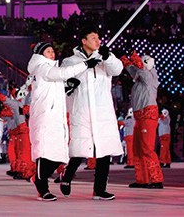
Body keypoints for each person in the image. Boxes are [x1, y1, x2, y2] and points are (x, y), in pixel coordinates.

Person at [60, 26, 124, 201]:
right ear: (83, 41)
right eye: (93, 38)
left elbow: (117, 69)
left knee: (103, 150)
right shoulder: (70, 61)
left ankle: (100, 189)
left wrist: (108, 56)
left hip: (102, 111)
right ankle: (67, 176)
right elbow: (63, 82)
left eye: (98, 38)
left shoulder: (104, 58)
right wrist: (69, 84)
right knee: (80, 149)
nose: (98, 41)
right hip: (82, 109)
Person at [26, 41, 93, 201]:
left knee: (58, 154)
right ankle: (42, 189)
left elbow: (55, 88)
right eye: (48, 51)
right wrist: (85, 65)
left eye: (52, 51)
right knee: (45, 153)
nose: (52, 53)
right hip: (45, 118)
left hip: (55, 118)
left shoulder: (48, 70)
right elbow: (63, 73)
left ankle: (39, 179)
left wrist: (67, 87)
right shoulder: (42, 68)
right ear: (40, 55)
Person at [121, 52, 163, 189]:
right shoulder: (141, 77)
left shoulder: (149, 77)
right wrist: (123, 58)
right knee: (138, 149)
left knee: (147, 149)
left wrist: (132, 55)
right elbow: (133, 69)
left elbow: (139, 68)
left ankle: (156, 180)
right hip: (140, 117)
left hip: (147, 116)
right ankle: (142, 179)